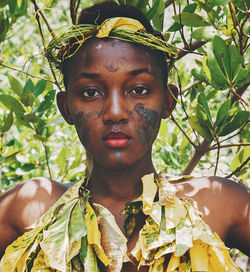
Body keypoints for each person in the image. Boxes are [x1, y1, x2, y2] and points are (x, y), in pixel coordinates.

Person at [0, 2, 249, 271]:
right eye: (90, 93)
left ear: (168, 101)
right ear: (66, 108)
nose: (115, 113)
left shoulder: (221, 205)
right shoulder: (31, 209)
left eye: (139, 90)